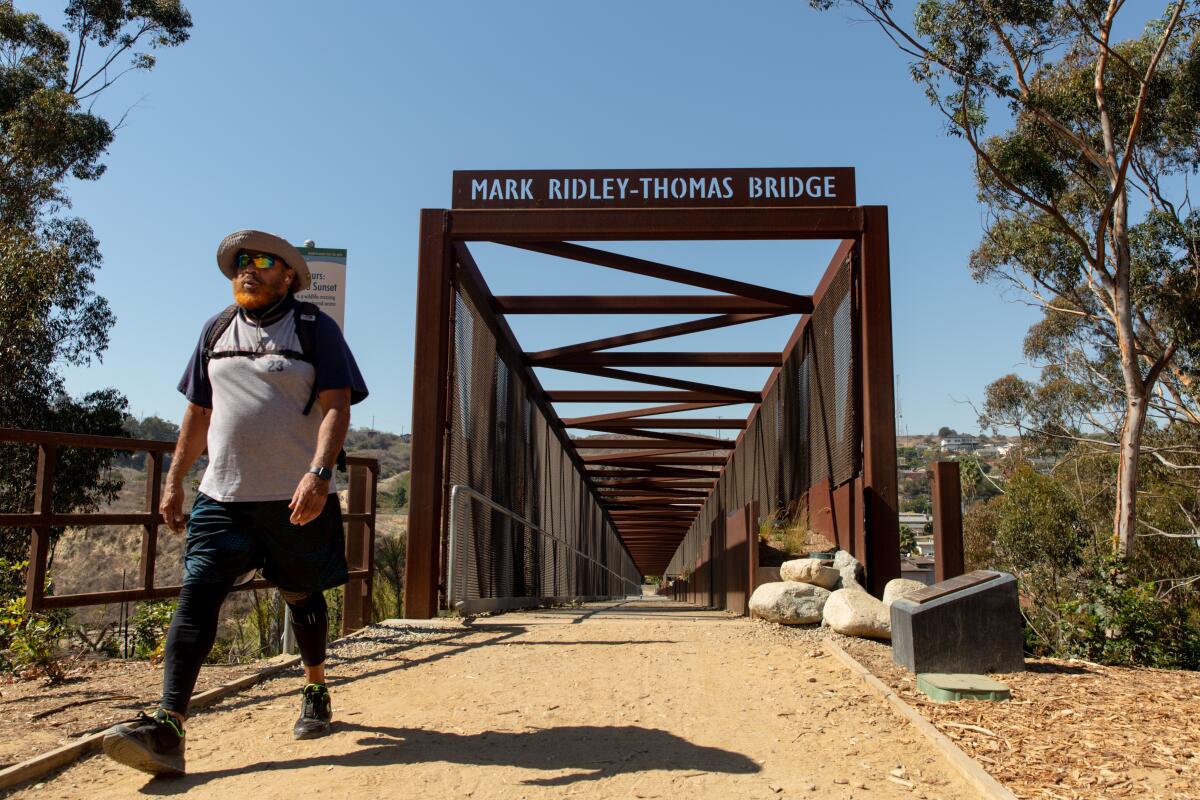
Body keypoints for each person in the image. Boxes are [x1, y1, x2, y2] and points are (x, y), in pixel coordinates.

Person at [102, 229, 368, 776]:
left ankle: (315, 687)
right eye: (241, 262)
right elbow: (198, 413)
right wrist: (175, 479)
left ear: (290, 275)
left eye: (263, 261)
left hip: (294, 497)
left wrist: (319, 473)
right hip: (221, 496)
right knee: (197, 594)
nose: (249, 268)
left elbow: (337, 406)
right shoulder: (216, 329)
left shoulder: (316, 329)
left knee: (301, 593)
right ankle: (168, 726)